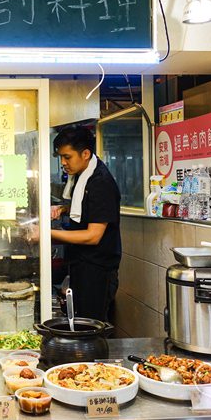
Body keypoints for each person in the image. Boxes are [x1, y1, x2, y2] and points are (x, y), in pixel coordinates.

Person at [51, 126, 121, 322]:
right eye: (60, 157)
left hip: (97, 270)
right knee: (80, 323)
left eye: (67, 157)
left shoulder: (100, 182)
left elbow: (93, 235)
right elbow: (86, 210)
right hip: (81, 265)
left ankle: (94, 355)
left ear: (85, 154)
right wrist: (63, 209)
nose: (63, 163)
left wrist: (49, 234)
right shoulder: (82, 177)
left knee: (91, 327)